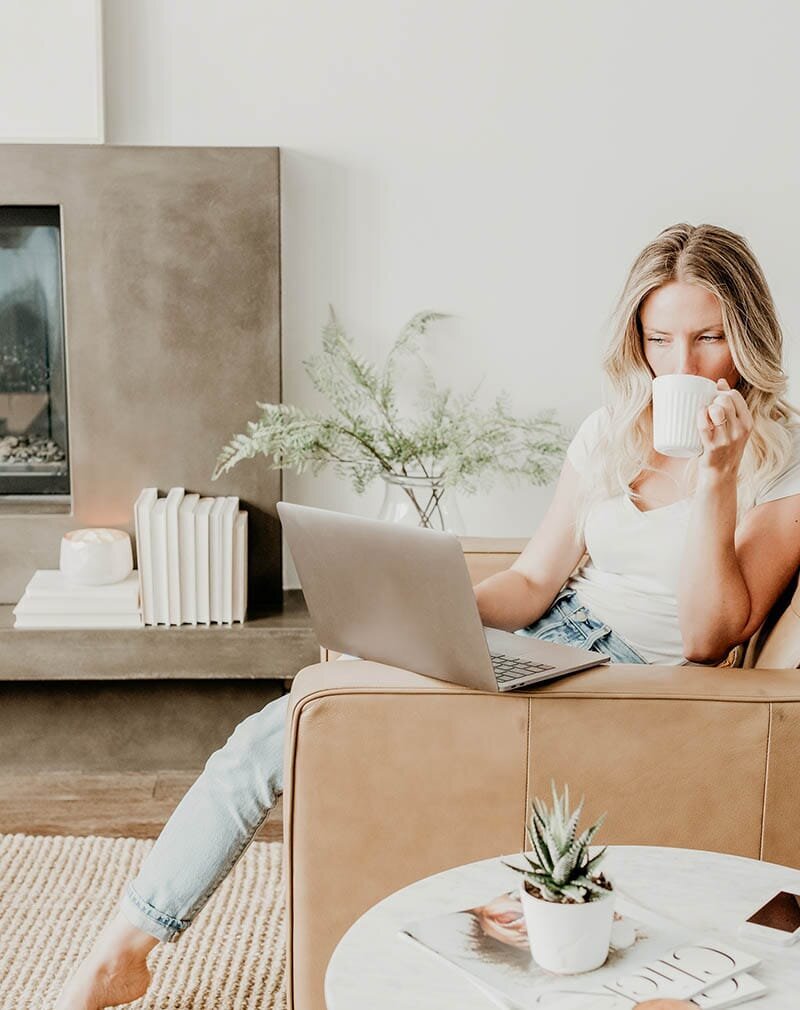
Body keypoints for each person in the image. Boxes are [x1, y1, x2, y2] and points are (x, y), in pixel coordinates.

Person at [57, 223, 800, 1009]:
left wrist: (717, 479)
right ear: (636, 340)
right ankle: (125, 946)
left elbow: (708, 636)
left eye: (709, 339)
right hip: (552, 643)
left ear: (746, 337)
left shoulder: (781, 460)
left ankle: (124, 951)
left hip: (625, 684)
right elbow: (535, 578)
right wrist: (422, 620)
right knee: (278, 727)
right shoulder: (611, 431)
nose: (681, 367)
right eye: (660, 340)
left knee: (299, 725)